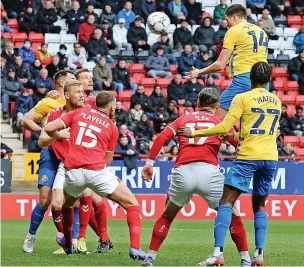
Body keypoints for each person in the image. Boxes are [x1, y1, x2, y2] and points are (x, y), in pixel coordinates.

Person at [178, 62, 280, 266]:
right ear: (269, 80)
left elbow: (222, 125)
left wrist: (194, 133)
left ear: (250, 78)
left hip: (248, 156)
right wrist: (233, 135)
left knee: (226, 202)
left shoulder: (242, 97)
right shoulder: (276, 100)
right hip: (270, 157)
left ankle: (218, 253)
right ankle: (258, 256)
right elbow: (260, 129)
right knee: (259, 205)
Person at [141, 87, 249, 267]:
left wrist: (150, 164)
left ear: (198, 104)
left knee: (167, 215)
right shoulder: (219, 121)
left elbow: (160, 138)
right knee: (231, 211)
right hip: (209, 171)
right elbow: (239, 143)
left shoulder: (183, 119)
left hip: (183, 171)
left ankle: (150, 257)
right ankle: (245, 259)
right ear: (217, 106)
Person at [43, 91, 146, 259]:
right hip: (96, 170)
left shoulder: (77, 113)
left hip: (72, 170)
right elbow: (107, 160)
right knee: (131, 203)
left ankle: (68, 244)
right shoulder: (112, 127)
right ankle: (135, 247)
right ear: (112, 107)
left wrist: (59, 135)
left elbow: (48, 128)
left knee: (67, 206)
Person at [21, 70, 76, 253]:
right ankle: (31, 236)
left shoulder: (78, 101)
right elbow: (26, 120)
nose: (76, 82)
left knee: (71, 200)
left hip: (71, 155)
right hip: (50, 154)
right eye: (72, 79)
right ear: (62, 84)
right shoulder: (49, 102)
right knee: (44, 200)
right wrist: (45, 132)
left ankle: (72, 240)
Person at [185, 4, 268, 119]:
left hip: (245, 79)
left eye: (227, 19)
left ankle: (212, 137)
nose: (226, 23)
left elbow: (220, 64)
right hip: (264, 82)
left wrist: (199, 72)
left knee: (218, 117)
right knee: (253, 121)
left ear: (235, 17)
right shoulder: (261, 31)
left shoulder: (234, 31)